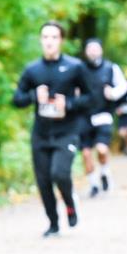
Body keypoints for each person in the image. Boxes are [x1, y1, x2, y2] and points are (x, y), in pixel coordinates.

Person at [13, 21, 93, 237]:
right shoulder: (32, 69)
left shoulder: (75, 67)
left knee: (59, 173)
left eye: (54, 37)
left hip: (67, 131)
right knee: (44, 181)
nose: (49, 41)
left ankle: (70, 205)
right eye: (45, 37)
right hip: (41, 134)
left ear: (61, 41)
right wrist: (33, 96)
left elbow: (91, 98)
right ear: (41, 40)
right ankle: (53, 223)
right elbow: (17, 99)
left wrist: (68, 104)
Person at [78, 38, 127, 197]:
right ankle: (93, 184)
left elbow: (123, 85)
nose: (93, 51)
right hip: (84, 116)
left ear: (101, 50)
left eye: (96, 48)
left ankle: (105, 172)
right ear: (86, 51)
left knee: (101, 149)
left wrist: (112, 93)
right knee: (86, 154)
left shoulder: (111, 68)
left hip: (104, 114)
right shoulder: (79, 69)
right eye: (90, 48)